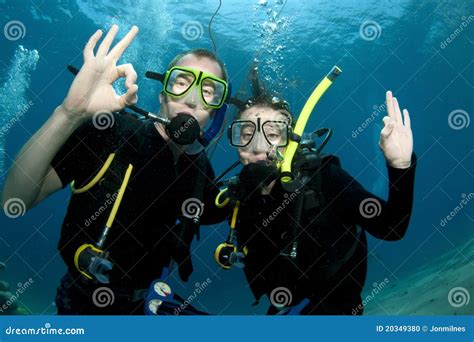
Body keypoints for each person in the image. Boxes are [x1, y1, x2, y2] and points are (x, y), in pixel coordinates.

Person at [1, 24, 230, 315]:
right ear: (162, 95)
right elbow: (13, 202)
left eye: (209, 91)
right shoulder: (111, 132)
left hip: (144, 306)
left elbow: (232, 209)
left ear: (216, 112)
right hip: (81, 305)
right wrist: (69, 113)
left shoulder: (201, 172)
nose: (192, 98)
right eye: (181, 82)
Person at [214, 73, 416, 315]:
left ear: (291, 140)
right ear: (234, 142)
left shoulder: (323, 179)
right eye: (246, 135)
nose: (259, 146)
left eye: (273, 134)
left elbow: (392, 228)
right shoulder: (237, 197)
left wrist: (400, 166)